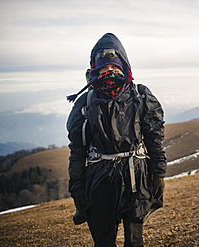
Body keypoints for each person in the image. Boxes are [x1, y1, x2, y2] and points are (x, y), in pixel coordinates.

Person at [66, 33, 167, 247]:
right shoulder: (85, 104)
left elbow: (154, 141)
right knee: (103, 242)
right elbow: (77, 150)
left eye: (114, 67)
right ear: (94, 69)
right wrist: (77, 188)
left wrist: (158, 174)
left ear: (124, 66)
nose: (109, 72)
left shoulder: (141, 97)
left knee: (135, 242)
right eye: (103, 68)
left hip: (135, 179)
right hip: (99, 181)